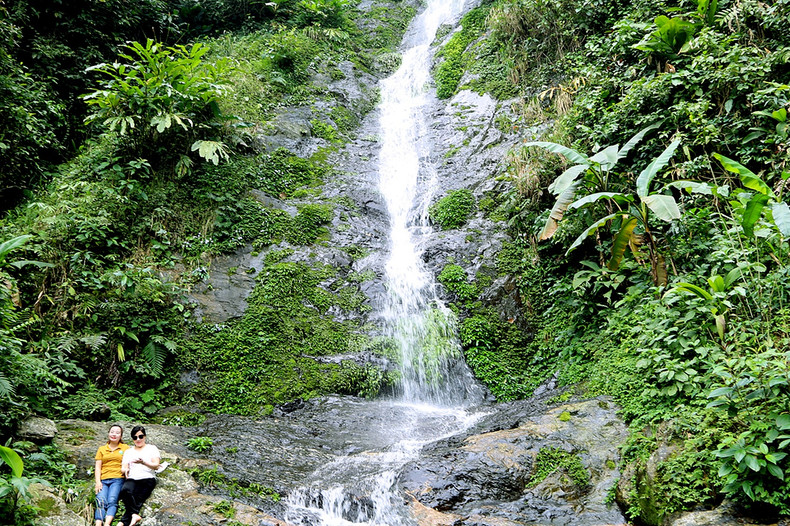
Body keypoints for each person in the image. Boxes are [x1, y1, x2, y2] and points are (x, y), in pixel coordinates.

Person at [117, 426, 160, 526]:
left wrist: (144, 462)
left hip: (147, 477)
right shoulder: (128, 451)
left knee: (137, 496)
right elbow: (123, 467)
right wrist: (125, 470)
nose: (138, 440)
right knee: (125, 491)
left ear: (145, 436)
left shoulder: (152, 448)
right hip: (133, 477)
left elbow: (156, 465)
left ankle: (123, 521)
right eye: (135, 437)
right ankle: (134, 515)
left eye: (140, 436)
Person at [94, 424, 129, 526]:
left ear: (121, 436)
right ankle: (98, 523)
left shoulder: (125, 448)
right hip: (103, 479)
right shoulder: (102, 449)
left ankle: (107, 524)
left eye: (117, 433)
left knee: (112, 500)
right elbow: (98, 467)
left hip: (118, 478)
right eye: (112, 432)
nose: (114, 434)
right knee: (100, 501)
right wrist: (98, 482)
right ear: (108, 433)